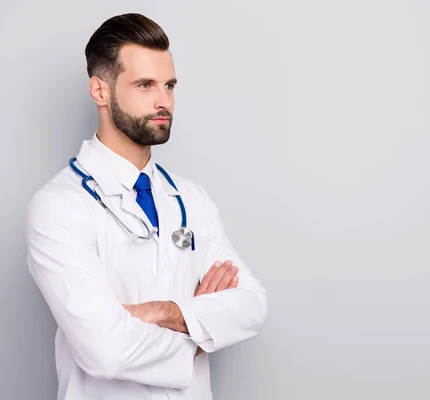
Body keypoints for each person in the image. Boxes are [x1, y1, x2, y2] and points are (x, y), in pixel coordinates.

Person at [24, 13, 268, 400]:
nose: (163, 101)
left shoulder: (191, 199)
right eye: (145, 85)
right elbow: (104, 351)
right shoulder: (58, 207)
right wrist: (203, 329)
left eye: (169, 85)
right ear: (100, 91)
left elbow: (252, 305)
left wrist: (163, 312)